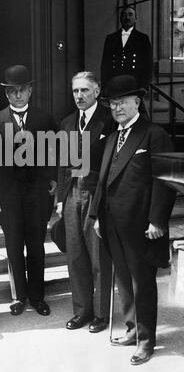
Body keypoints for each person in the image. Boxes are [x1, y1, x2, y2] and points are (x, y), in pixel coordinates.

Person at [90, 74, 176, 365]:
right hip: (112, 223)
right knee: (124, 281)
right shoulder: (111, 137)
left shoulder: (154, 134)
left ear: (137, 101)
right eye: (113, 103)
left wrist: (157, 221)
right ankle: (130, 328)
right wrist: (98, 216)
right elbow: (103, 181)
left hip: (141, 224)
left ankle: (146, 340)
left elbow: (164, 181)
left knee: (143, 283)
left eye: (123, 101)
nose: (118, 107)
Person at [0, 64, 57, 316]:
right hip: (9, 194)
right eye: (12, 91)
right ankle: (18, 297)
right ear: (7, 94)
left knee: (36, 245)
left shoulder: (45, 119)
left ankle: (38, 297)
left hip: (36, 193)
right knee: (13, 245)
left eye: (22, 90)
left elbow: (54, 153)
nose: (17, 95)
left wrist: (52, 179)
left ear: (30, 91)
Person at [56, 71, 115, 332]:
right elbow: (62, 164)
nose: (79, 95)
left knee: (98, 256)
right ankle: (82, 311)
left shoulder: (109, 120)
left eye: (84, 90)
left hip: (96, 193)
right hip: (71, 194)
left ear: (97, 92)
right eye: (75, 91)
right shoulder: (67, 123)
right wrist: (60, 199)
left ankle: (102, 314)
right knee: (75, 254)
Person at [101, 6, 153, 91]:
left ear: (135, 18)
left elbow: (148, 64)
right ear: (120, 18)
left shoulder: (143, 38)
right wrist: (104, 86)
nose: (127, 17)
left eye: (130, 14)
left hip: (135, 84)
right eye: (124, 15)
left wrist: (144, 86)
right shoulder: (111, 38)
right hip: (114, 83)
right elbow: (105, 64)